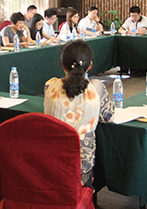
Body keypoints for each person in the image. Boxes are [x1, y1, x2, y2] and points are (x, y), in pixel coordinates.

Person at [44, 40, 114, 187]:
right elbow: (108, 117)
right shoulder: (96, 88)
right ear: (90, 65)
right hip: (81, 165)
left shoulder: (50, 86)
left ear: (63, 65)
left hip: (51, 161)